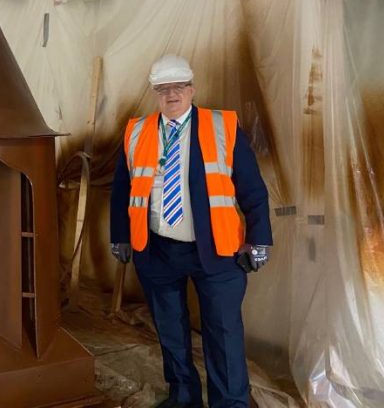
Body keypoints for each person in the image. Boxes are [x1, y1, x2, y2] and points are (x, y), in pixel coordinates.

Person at [109, 54, 272, 408]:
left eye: (179, 87)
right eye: (163, 89)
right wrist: (119, 234)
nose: (171, 95)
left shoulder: (222, 126)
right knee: (170, 331)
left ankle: (229, 402)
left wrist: (259, 240)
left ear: (192, 88)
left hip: (217, 250)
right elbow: (122, 188)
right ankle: (183, 397)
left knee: (224, 333)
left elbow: (252, 188)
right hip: (157, 249)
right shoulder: (137, 131)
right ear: (155, 92)